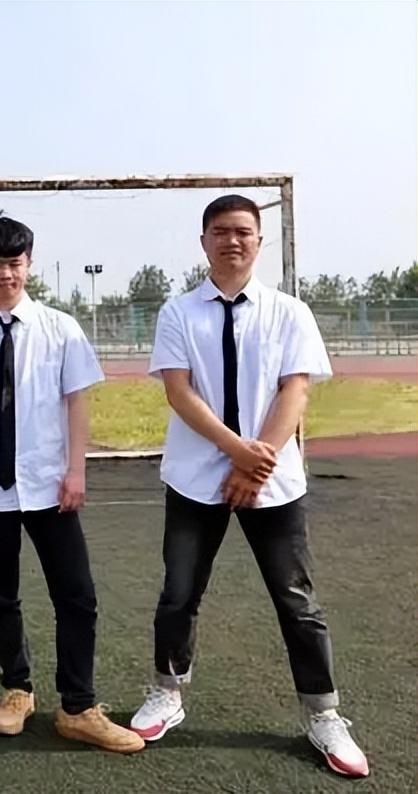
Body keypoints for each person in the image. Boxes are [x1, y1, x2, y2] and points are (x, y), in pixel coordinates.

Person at [129, 194, 369, 777]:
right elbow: (179, 391)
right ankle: (167, 691)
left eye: (243, 231)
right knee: (179, 591)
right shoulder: (178, 313)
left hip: (272, 481)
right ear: (203, 242)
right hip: (196, 476)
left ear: (259, 241)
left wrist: (253, 464)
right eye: (220, 231)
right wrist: (235, 451)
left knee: (297, 599)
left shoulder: (290, 312)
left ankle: (323, 713)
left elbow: (296, 390)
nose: (232, 240)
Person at [0, 213, 144, 754]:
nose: (6, 274)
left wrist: (76, 470)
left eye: (15, 262)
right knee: (0, 595)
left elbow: (76, 403)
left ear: (29, 264)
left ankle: (78, 706)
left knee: (77, 595)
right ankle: (17, 689)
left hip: (51, 486)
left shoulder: (61, 329)